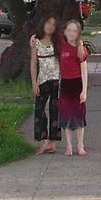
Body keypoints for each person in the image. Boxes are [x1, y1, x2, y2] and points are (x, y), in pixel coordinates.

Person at [30, 15, 61, 155]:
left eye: (53, 25)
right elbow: (33, 64)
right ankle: (44, 140)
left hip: (56, 80)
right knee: (39, 110)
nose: (50, 26)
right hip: (42, 79)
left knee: (55, 111)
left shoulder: (58, 41)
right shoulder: (36, 41)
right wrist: (34, 82)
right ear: (43, 23)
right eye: (48, 23)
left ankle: (53, 143)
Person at [58, 19, 89, 156]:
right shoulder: (61, 47)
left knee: (78, 116)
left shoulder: (80, 49)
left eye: (74, 31)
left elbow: (84, 71)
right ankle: (69, 146)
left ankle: (80, 145)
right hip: (65, 84)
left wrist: (84, 91)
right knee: (66, 115)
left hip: (77, 84)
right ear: (64, 32)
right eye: (69, 30)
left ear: (78, 33)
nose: (71, 33)